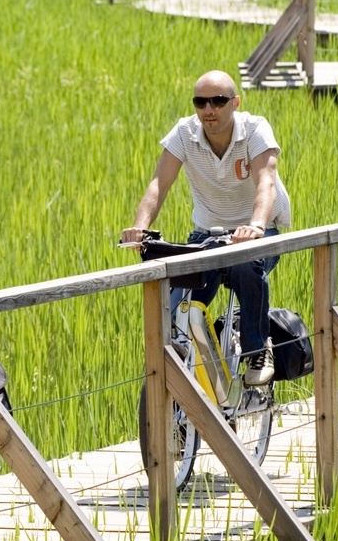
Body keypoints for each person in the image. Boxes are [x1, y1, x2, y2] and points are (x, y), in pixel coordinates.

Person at [120, 70, 291, 385]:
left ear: (235, 103)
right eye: (201, 102)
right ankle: (183, 364)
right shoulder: (185, 133)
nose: (208, 109)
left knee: (245, 265)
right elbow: (160, 182)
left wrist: (255, 225)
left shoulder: (255, 129)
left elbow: (265, 181)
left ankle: (257, 350)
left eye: (218, 101)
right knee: (177, 300)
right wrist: (140, 227)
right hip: (208, 233)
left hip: (257, 232)